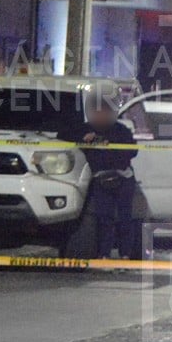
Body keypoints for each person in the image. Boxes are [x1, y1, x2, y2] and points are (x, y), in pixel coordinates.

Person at [59, 93, 138, 258]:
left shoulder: (120, 130)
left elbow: (132, 151)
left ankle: (125, 256)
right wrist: (83, 140)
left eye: (104, 112)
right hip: (100, 180)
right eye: (97, 112)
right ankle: (104, 255)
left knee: (125, 220)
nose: (100, 116)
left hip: (123, 179)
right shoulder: (84, 129)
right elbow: (62, 138)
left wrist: (108, 147)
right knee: (104, 219)